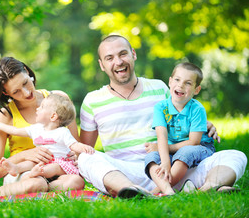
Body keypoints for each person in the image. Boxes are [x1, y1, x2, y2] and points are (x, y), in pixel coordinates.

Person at [78, 34, 247, 198]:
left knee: (235, 155)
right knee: (86, 158)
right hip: (125, 173)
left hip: (172, 169)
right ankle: (131, 191)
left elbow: (184, 116)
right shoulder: (93, 100)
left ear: (133, 54)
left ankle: (207, 188)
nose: (118, 61)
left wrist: (204, 124)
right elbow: (85, 148)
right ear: (101, 65)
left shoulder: (159, 88)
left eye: (123, 54)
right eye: (109, 58)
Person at [0, 57, 84, 199]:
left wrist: (75, 156)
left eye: (25, 83)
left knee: (76, 182)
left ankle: (47, 190)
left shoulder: (59, 100)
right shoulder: (5, 116)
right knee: (36, 184)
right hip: (24, 172)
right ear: (6, 93)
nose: (26, 93)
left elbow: (76, 145)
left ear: (27, 71)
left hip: (57, 169)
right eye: (16, 91)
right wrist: (25, 155)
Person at [144, 62, 215, 195]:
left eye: (188, 83)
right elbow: (162, 136)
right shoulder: (160, 107)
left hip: (200, 147)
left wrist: (164, 150)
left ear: (196, 90)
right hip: (174, 149)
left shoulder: (197, 109)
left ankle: (155, 191)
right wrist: (165, 162)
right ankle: (167, 191)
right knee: (151, 157)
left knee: (186, 152)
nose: (180, 85)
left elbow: (194, 142)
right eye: (177, 80)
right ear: (170, 82)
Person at [0, 93, 95, 180]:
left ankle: (40, 173)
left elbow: (74, 145)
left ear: (53, 116)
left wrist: (83, 148)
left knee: (54, 167)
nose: (38, 108)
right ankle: (16, 168)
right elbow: (15, 131)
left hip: (59, 162)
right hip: (41, 162)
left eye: (42, 107)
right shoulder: (36, 129)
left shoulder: (62, 132)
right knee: (30, 162)